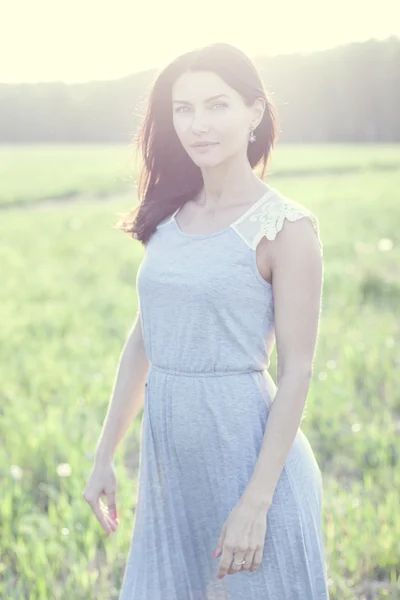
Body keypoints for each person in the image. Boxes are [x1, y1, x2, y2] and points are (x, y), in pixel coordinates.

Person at [83, 42, 330, 599]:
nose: (198, 124)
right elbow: (146, 336)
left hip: (254, 472)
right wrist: (104, 456)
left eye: (217, 105)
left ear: (254, 114)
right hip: (173, 479)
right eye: (183, 109)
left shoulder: (286, 228)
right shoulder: (168, 217)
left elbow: (297, 372)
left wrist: (256, 503)